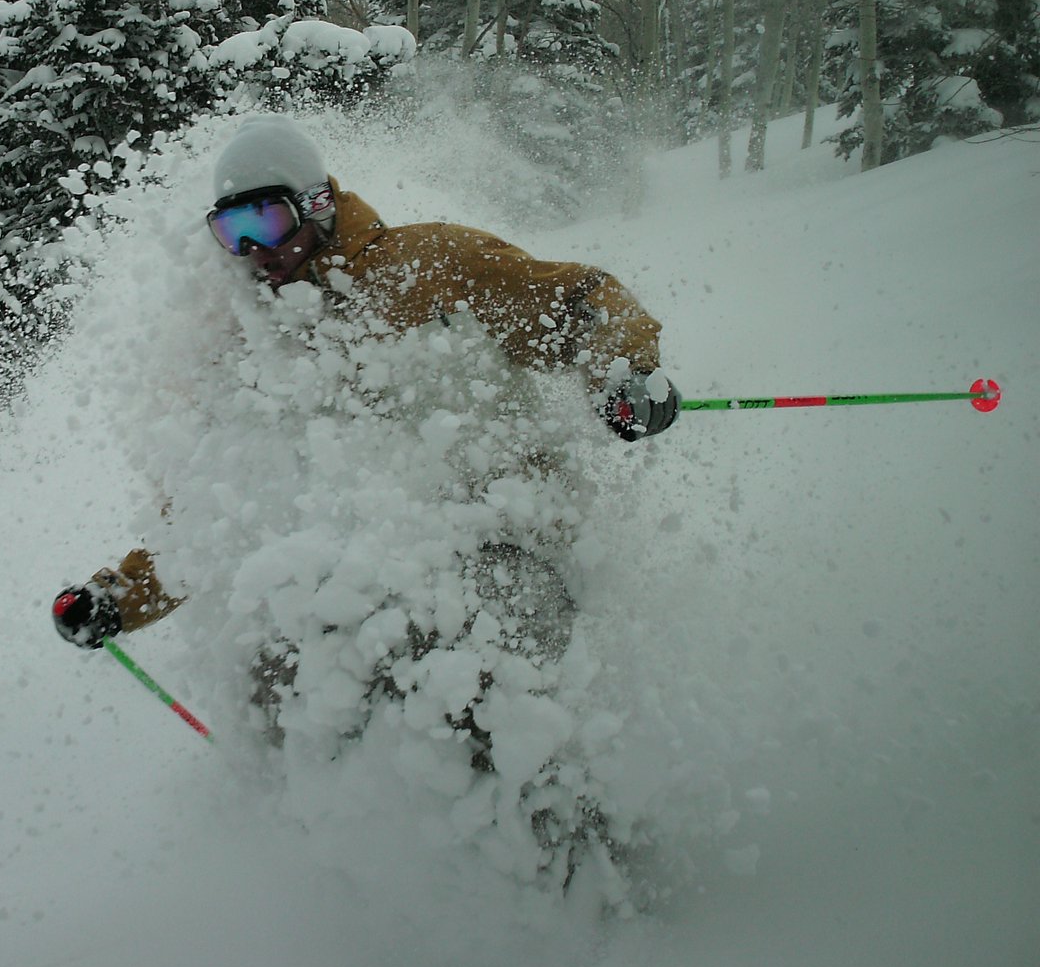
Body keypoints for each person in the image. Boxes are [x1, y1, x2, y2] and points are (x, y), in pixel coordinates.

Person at [51, 115, 678, 656]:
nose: (252, 250)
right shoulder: (249, 345)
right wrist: (118, 601)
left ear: (316, 204)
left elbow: (579, 300)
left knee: (481, 662)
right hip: (369, 580)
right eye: (230, 231)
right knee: (282, 665)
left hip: (510, 539)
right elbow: (223, 514)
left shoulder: (430, 264)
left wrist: (625, 374)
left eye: (267, 221)